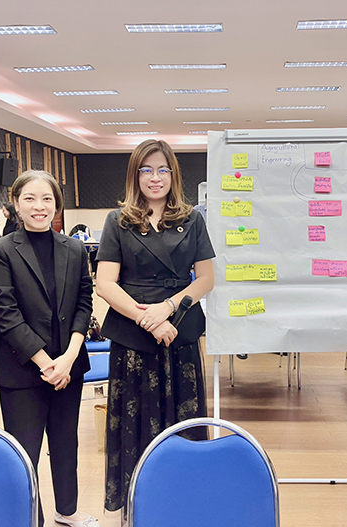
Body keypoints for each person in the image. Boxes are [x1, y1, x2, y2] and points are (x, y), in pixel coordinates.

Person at [95, 139, 215, 519]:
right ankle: (138, 505)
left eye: (163, 169)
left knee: (183, 422)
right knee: (135, 424)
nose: (155, 177)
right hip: (133, 337)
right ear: (135, 175)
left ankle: (183, 505)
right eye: (146, 170)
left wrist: (168, 308)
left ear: (173, 174)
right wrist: (146, 318)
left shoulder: (192, 219)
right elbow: (105, 283)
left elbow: (206, 279)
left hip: (180, 332)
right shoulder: (118, 220)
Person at [0, 170, 97, 527]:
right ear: (16, 205)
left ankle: (68, 509)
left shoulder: (74, 249)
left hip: (69, 365)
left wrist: (69, 357)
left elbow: (84, 302)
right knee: (25, 450)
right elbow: (5, 313)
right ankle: (29, 516)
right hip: (22, 368)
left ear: (56, 204)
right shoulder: (1, 250)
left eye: (47, 199)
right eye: (30, 199)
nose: (39, 206)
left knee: (66, 444)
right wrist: (47, 362)